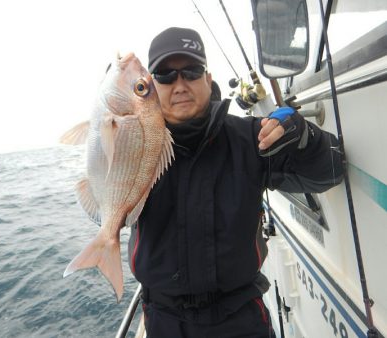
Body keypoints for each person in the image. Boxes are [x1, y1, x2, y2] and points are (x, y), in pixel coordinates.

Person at [127, 27, 343, 338]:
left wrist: (305, 138)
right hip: (163, 320)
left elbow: (329, 172)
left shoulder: (251, 138)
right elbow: (104, 213)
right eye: (165, 75)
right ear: (150, 85)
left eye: (191, 70)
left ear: (208, 77)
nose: (179, 84)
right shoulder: (135, 146)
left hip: (240, 318)